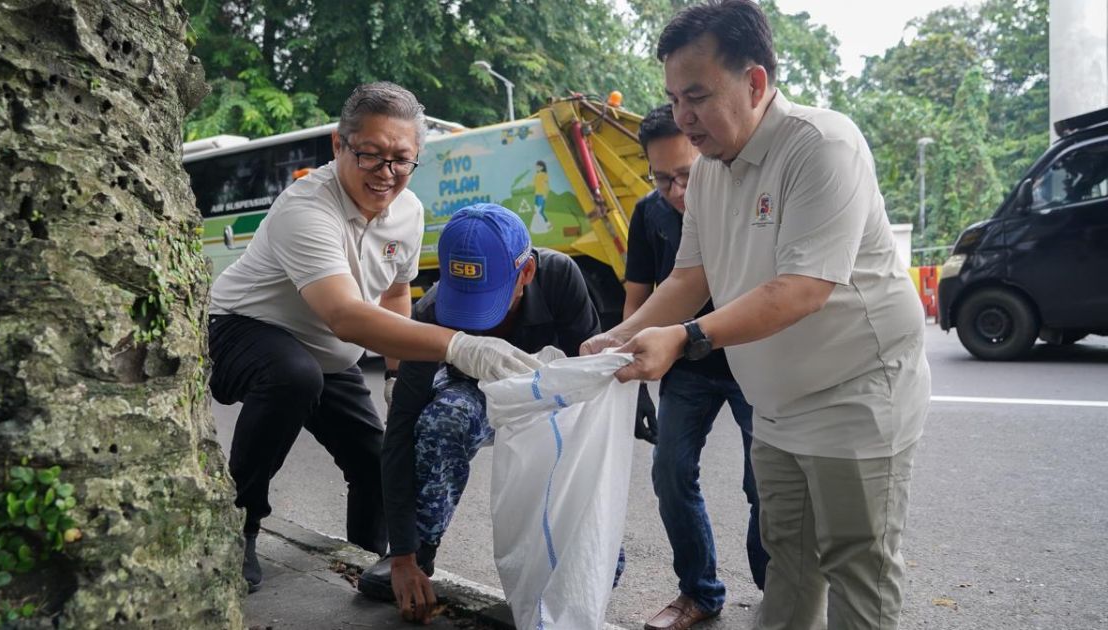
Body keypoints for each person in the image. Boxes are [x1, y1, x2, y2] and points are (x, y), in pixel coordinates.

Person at [582, 2, 931, 629]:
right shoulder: (711, 168)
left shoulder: (821, 146)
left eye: (697, 96)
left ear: (755, 83)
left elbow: (801, 289)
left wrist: (685, 340)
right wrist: (620, 335)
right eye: (672, 97)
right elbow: (691, 277)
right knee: (788, 562)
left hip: (855, 396)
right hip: (774, 404)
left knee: (858, 567)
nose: (682, 117)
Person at [208, 83, 542, 593]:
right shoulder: (306, 208)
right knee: (292, 377)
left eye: (401, 161)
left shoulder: (408, 212)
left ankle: (371, 563)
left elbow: (394, 295)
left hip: (325, 349)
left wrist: (394, 373)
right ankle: (238, 527)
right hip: (243, 328)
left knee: (377, 458)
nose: (386, 174)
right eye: (371, 156)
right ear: (339, 147)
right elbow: (344, 314)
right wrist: (460, 345)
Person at [355, 203, 600, 623]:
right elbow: (399, 431)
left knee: (578, 448)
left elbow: (591, 374)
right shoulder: (432, 309)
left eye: (487, 300)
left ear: (526, 272)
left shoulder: (560, 276)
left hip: (548, 392)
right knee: (441, 420)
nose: (476, 318)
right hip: (473, 391)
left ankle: (580, 557)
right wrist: (403, 554)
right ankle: (422, 551)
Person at [626, 103, 768, 630]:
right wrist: (634, 369)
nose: (676, 192)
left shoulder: (743, 199)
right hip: (685, 364)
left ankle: (775, 588)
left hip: (754, 359)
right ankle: (699, 592)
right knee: (670, 473)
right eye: (662, 179)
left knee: (765, 484)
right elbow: (642, 296)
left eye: (685, 175)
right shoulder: (650, 214)